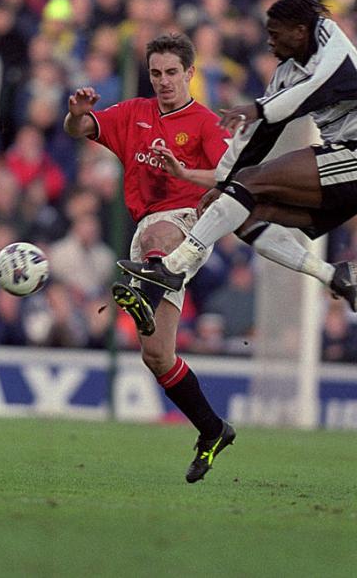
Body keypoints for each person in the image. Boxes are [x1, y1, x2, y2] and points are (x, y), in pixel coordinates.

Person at [119, 0, 357, 313]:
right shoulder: (285, 74)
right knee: (243, 216)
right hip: (338, 165)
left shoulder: (333, 45)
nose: (270, 42)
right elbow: (258, 134)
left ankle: (173, 267)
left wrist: (258, 108)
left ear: (301, 31)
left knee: (249, 183)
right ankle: (331, 274)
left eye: (276, 34)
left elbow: (308, 93)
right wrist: (222, 182)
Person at [64, 32, 235, 483]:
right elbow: (80, 130)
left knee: (162, 232)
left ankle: (143, 288)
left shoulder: (203, 122)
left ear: (190, 74)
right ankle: (213, 429)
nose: (163, 81)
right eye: (156, 73)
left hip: (186, 220)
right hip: (147, 236)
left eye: (172, 73)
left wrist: (188, 176)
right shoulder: (133, 114)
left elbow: (223, 174)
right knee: (157, 354)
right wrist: (76, 115)